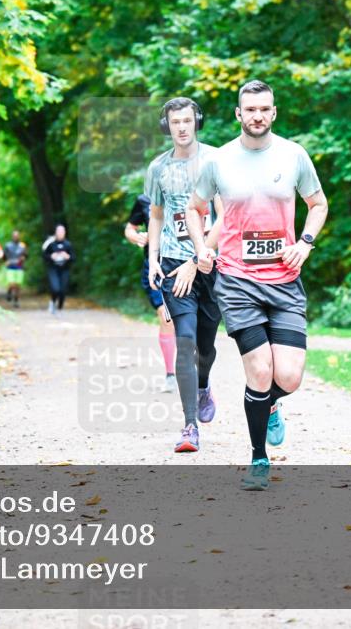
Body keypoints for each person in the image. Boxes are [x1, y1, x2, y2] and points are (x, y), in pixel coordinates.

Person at [186, 80, 328, 489]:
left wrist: (305, 243)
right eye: (250, 109)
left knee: (289, 377)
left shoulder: (293, 155)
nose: (257, 116)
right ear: (238, 114)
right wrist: (201, 248)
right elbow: (195, 209)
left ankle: (267, 405)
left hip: (284, 281)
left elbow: (318, 204)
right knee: (260, 370)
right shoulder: (219, 161)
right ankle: (259, 459)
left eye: (264, 109)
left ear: (274, 112)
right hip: (237, 282)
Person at [145, 97, 224, 454]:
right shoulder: (158, 168)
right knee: (186, 341)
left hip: (213, 265)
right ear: (167, 125)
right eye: (175, 121)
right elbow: (156, 216)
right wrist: (153, 259)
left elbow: (225, 216)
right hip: (175, 266)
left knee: (206, 345)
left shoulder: (215, 161)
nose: (181, 127)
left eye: (187, 121)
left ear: (197, 122)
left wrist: (200, 255)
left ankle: (203, 385)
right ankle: (190, 425)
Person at [125, 194, 177, 393]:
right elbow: (129, 228)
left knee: (186, 319)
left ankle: (194, 371)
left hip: (182, 265)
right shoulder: (144, 200)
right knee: (166, 317)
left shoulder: (187, 194)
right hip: (155, 267)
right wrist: (137, 236)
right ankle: (170, 375)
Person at [42, 224, 74, 314]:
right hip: (53, 269)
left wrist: (68, 257)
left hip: (64, 269)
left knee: (63, 290)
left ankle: (60, 307)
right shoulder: (51, 244)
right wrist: (51, 256)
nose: (60, 233)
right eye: (59, 231)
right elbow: (44, 256)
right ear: (55, 233)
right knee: (55, 288)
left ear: (65, 233)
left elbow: (73, 257)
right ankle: (52, 302)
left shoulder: (68, 244)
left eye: (62, 231)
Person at [3, 230, 28, 307]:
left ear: (19, 236)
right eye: (14, 236)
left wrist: (23, 258)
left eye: (17, 235)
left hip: (19, 267)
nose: (15, 237)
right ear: (12, 236)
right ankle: (9, 291)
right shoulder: (8, 245)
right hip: (10, 267)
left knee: (18, 286)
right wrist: (6, 261)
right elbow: (4, 256)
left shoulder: (22, 245)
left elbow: (26, 255)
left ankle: (16, 301)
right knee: (12, 284)